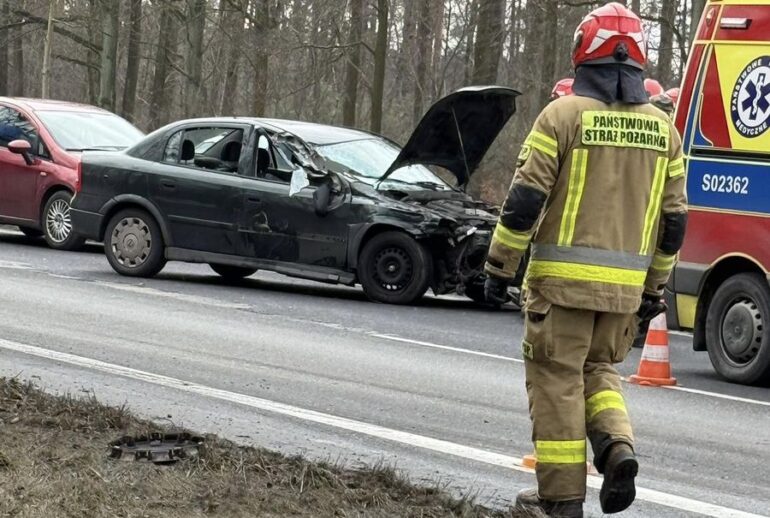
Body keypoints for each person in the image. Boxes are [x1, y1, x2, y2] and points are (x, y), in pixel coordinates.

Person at [483, 3, 687, 517]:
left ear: (583, 53)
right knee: (600, 372)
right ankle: (618, 448)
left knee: (555, 386)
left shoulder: (562, 116)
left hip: (559, 291)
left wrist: (498, 266)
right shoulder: (664, 131)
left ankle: (561, 501)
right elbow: (674, 224)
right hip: (623, 296)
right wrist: (652, 290)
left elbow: (525, 200)